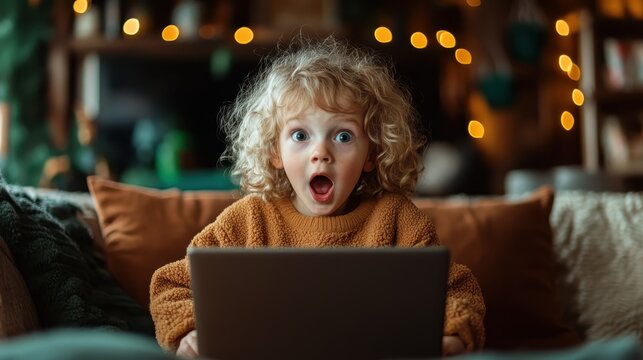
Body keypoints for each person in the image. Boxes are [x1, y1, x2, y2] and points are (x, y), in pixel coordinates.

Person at [149, 37, 486, 358]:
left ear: (372, 153)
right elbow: (170, 285)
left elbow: (457, 291)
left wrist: (454, 334)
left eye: (343, 135)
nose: (320, 153)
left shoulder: (396, 218)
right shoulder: (249, 218)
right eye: (300, 135)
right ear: (274, 151)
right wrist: (187, 331)